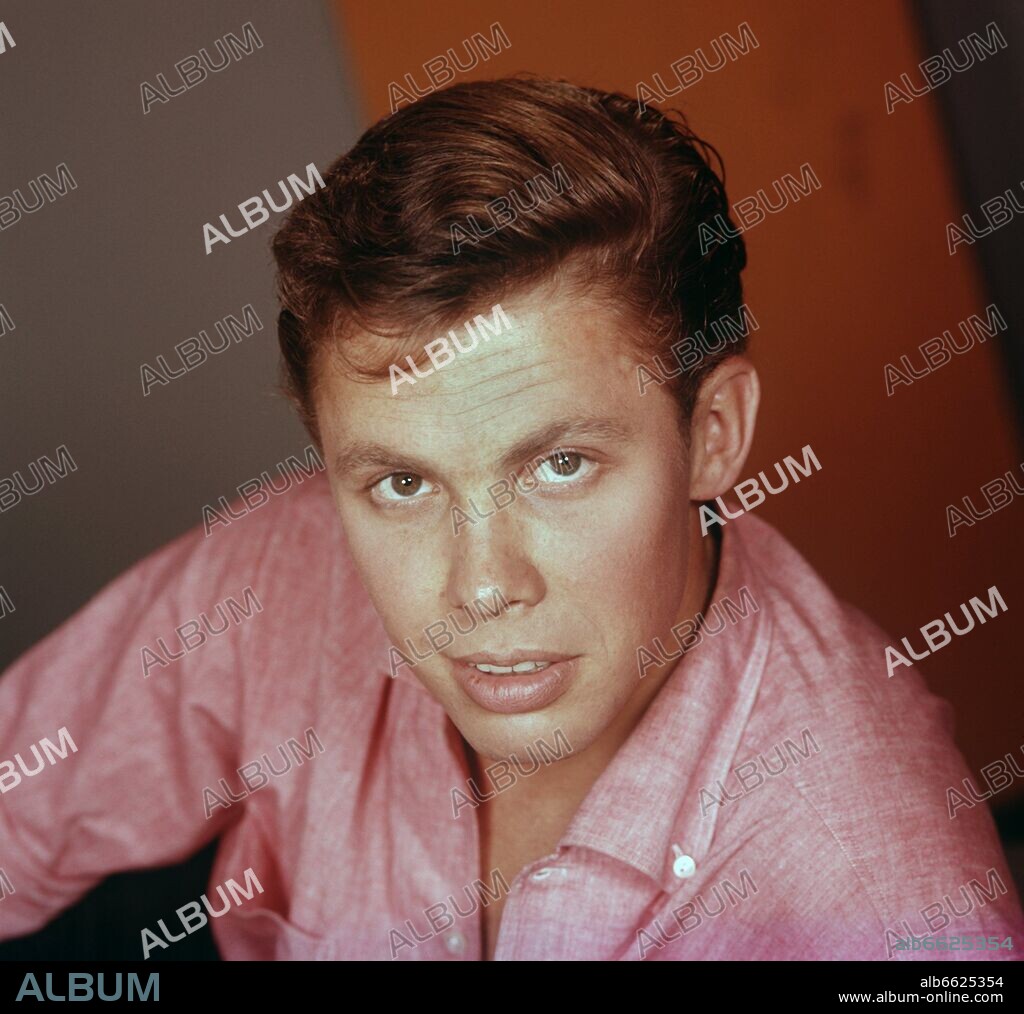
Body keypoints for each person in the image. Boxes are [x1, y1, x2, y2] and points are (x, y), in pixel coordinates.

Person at [1, 76, 1020, 961]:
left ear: (712, 435)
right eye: (401, 484)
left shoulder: (884, 911)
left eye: (560, 465)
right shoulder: (290, 562)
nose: (480, 586)